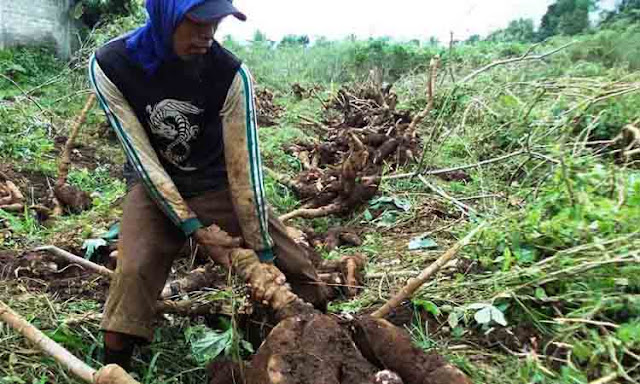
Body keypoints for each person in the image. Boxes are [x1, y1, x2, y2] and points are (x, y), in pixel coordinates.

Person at [89, 0, 329, 371]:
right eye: (197, 23)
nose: (207, 35)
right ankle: (115, 367)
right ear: (166, 14)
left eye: (215, 24)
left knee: (298, 270)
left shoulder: (229, 74)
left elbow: (244, 173)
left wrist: (262, 257)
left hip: (216, 182)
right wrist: (194, 229)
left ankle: (313, 339)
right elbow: (142, 159)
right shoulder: (112, 65)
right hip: (153, 184)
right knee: (133, 274)